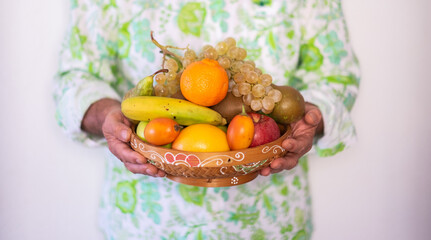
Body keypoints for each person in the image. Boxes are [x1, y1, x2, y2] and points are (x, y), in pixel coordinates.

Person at [54, 0, 360, 239]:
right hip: (145, 224)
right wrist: (108, 115)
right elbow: (77, 77)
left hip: (268, 225)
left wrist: (310, 118)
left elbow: (337, 76)